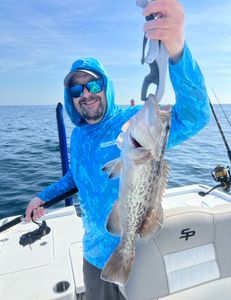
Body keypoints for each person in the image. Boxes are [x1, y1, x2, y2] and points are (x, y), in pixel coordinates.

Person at [25, 1, 210, 299]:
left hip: (141, 252)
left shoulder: (130, 124)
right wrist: (41, 197)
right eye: (76, 90)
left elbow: (195, 116)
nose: (85, 94)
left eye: (93, 85)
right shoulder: (80, 137)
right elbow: (76, 177)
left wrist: (176, 48)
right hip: (94, 255)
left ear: (105, 87)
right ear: (70, 97)